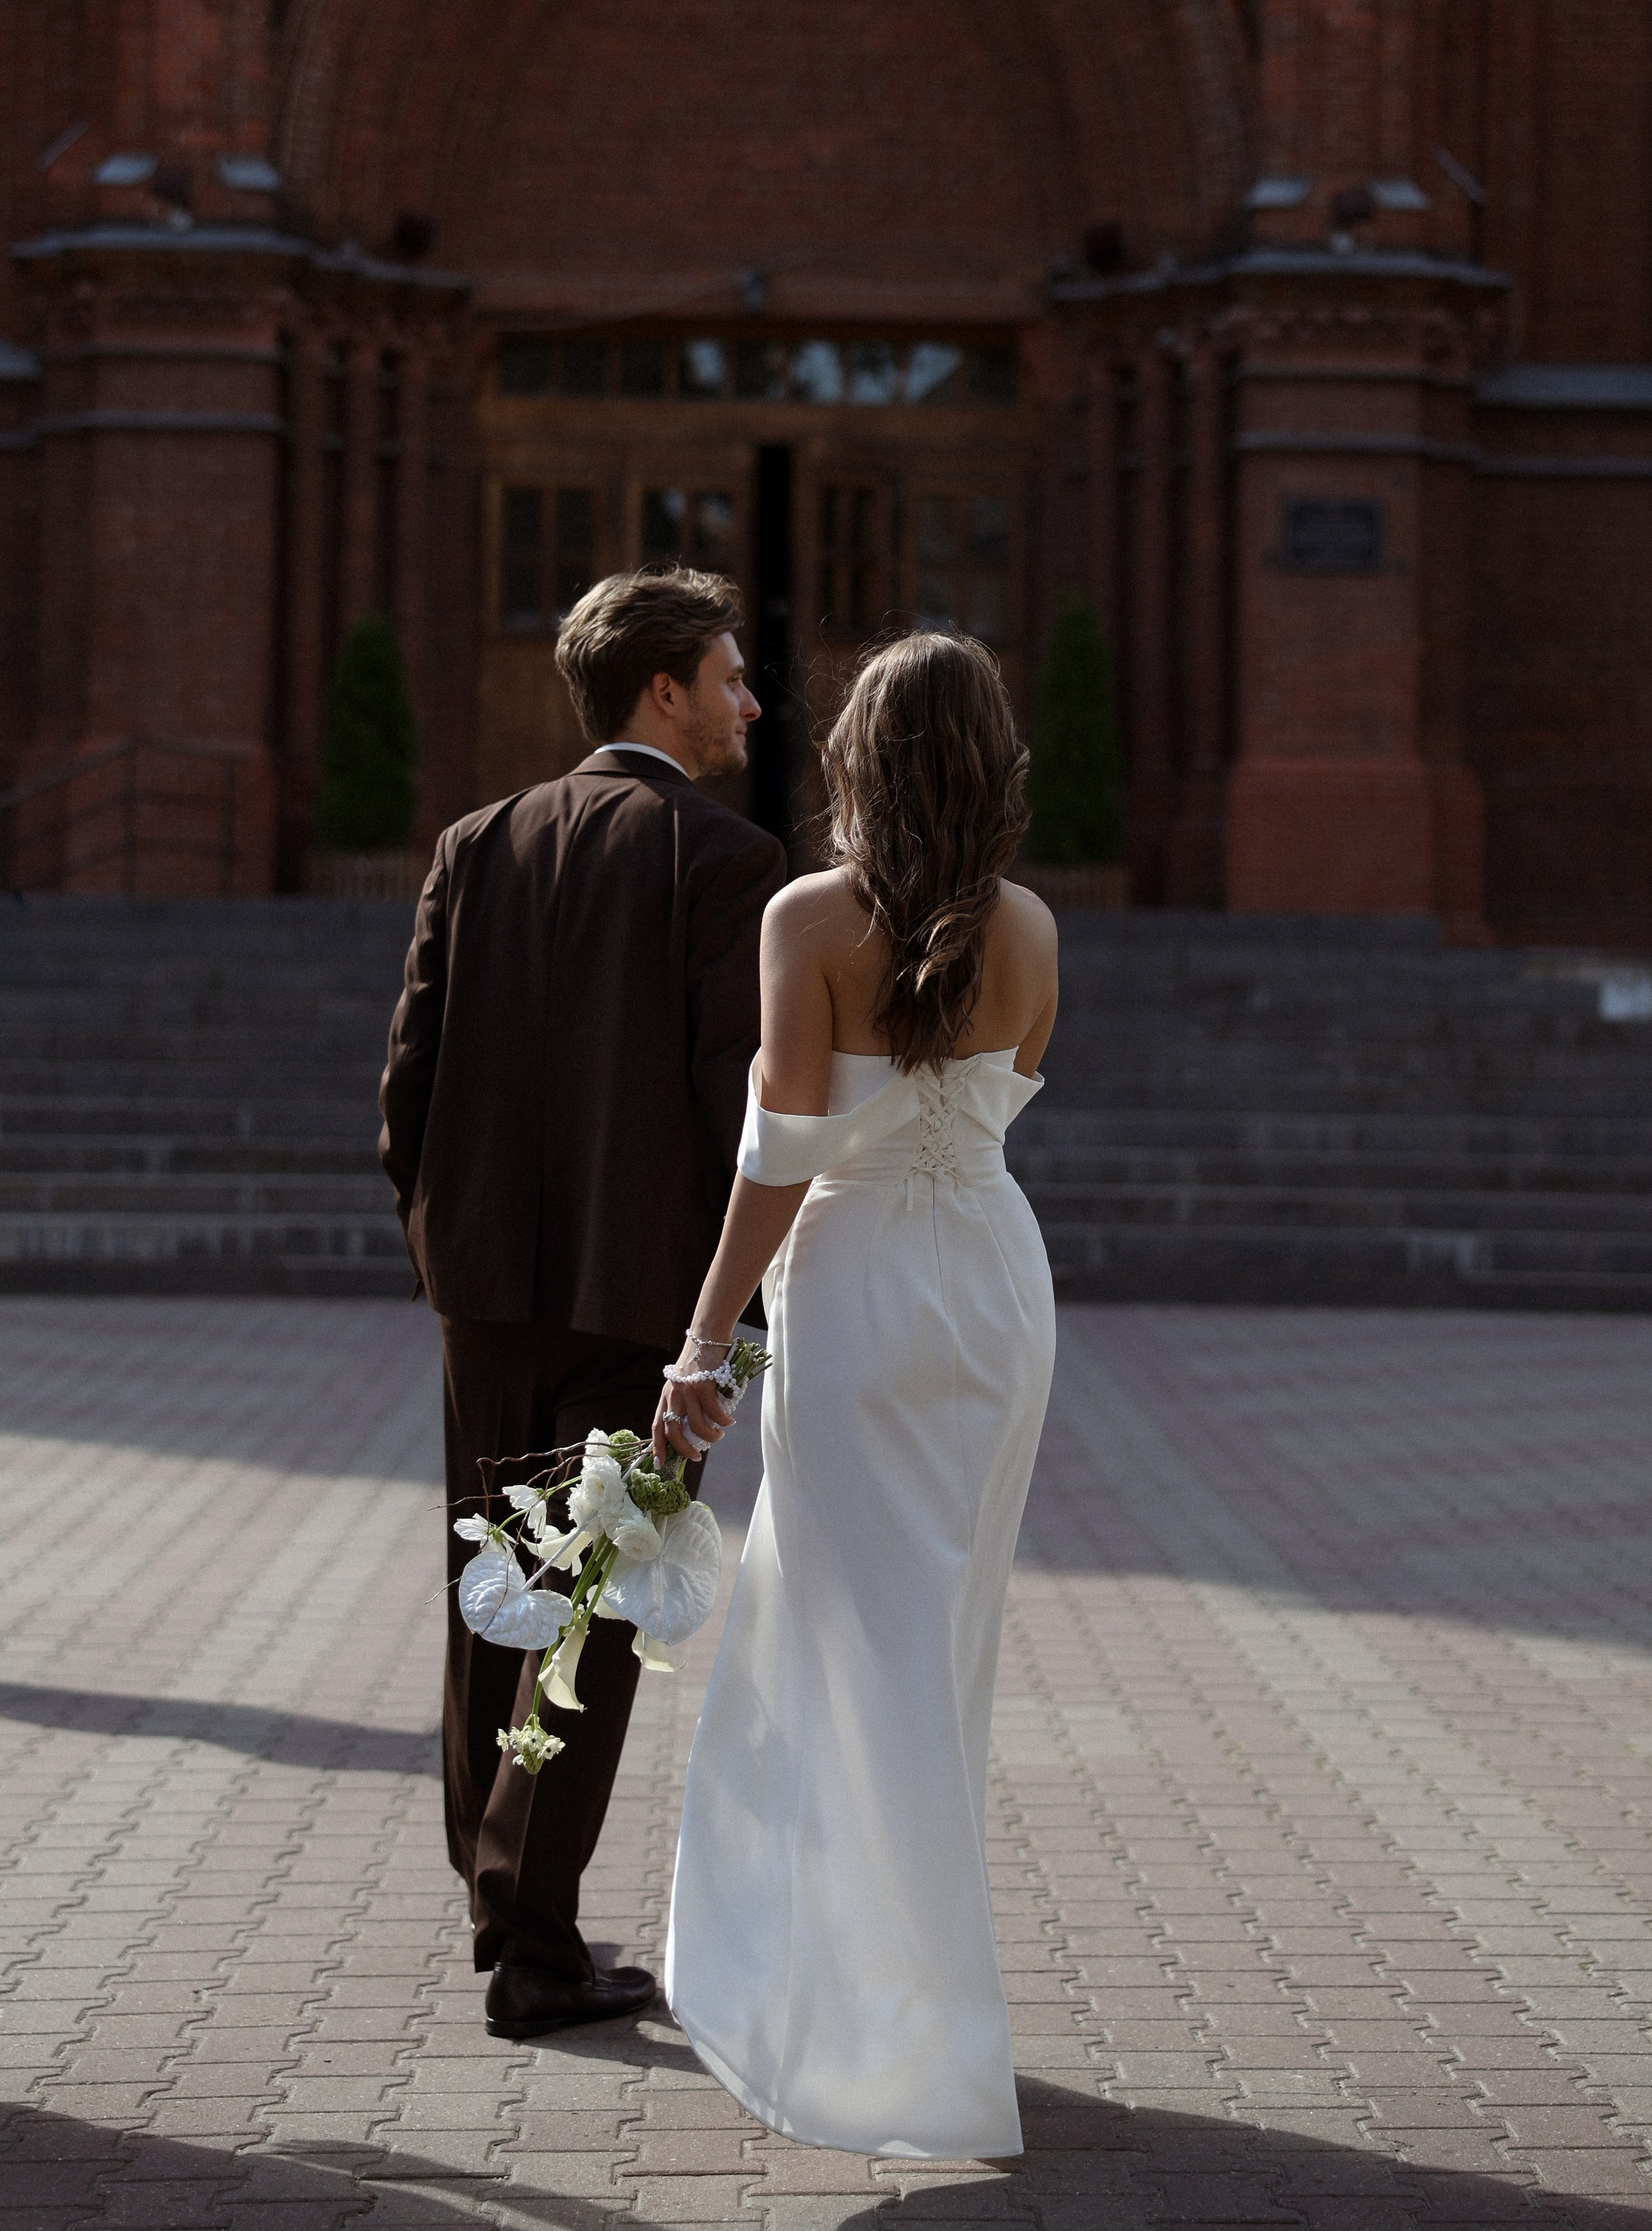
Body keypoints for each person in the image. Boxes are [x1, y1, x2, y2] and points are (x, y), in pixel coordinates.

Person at [658, 629, 1059, 2158]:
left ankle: (895, 2026)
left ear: (858, 759)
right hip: (993, 1289)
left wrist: (702, 1343)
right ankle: (913, 2000)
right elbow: (1003, 1096)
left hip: (858, 1287)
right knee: (939, 1650)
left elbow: (782, 1151)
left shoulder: (809, 918)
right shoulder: (1031, 926)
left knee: (848, 1643)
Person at [378, 566, 785, 2040]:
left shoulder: (475, 841)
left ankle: (503, 1907)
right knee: (587, 1619)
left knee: (494, 1600)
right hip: (639, 1310)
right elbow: (736, 1107)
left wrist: (447, 1248)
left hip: (483, 1295)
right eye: (730, 676)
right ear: (662, 689)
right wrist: (730, 1317)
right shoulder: (725, 859)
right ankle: (537, 1954)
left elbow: (406, 1084)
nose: (752, 704)